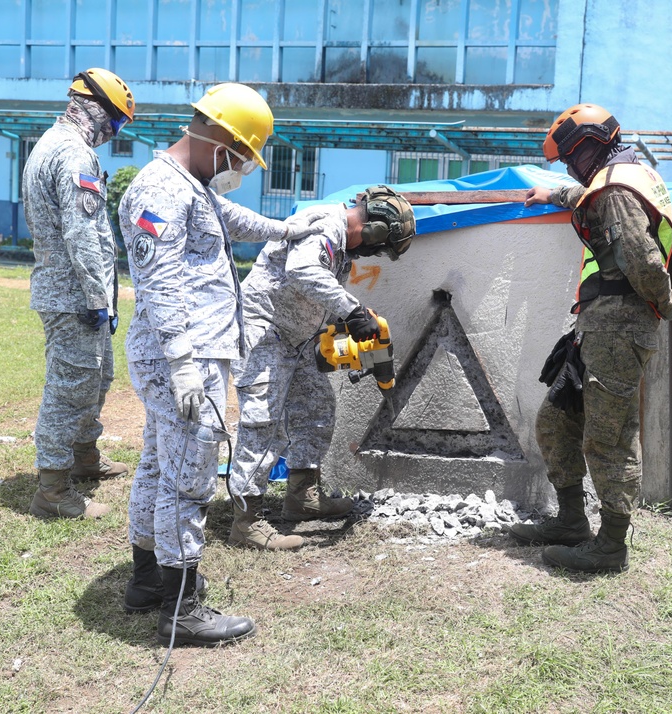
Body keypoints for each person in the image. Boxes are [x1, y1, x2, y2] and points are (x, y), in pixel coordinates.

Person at [119, 83, 319, 646]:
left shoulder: (191, 186)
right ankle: (180, 610)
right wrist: (183, 362)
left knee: (159, 467)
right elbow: (159, 284)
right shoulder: (159, 190)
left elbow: (229, 217)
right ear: (223, 140)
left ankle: (145, 583)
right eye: (245, 157)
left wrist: (286, 230)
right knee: (189, 481)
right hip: (184, 358)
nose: (244, 169)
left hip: (190, 353)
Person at [509, 103, 672, 574]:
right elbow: (590, 196)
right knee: (556, 421)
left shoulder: (617, 188)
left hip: (619, 327)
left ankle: (610, 545)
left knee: (609, 438)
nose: (569, 166)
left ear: (592, 146)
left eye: (571, 158)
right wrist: (554, 193)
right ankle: (569, 522)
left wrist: (666, 303)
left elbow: (644, 262)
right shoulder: (621, 178)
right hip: (598, 325)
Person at [225, 185, 416, 551]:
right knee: (262, 422)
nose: (373, 254)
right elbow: (302, 271)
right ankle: (245, 521)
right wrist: (354, 312)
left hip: (298, 338)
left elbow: (318, 293)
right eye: (379, 246)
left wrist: (340, 330)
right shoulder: (326, 227)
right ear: (375, 230)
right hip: (265, 330)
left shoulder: (342, 248)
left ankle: (302, 495)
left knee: (316, 409)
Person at [23, 68, 136, 520]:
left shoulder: (51, 145)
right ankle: (52, 489)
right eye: (118, 122)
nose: (115, 132)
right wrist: (97, 298)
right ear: (98, 111)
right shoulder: (73, 155)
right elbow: (83, 235)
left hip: (69, 291)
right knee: (70, 387)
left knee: (97, 375)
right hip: (73, 295)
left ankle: (85, 455)